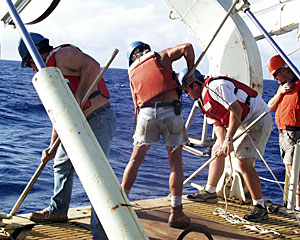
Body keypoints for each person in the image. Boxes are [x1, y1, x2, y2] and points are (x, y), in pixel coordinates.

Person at [18, 32, 116, 239]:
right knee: (61, 163)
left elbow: (93, 65)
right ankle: (58, 211)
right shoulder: (50, 75)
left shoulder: (62, 54)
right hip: (74, 121)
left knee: (96, 176)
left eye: (29, 63)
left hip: (98, 118)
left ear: (35, 54)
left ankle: (101, 233)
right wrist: (51, 147)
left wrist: (78, 99)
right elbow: (59, 114)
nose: (32, 69)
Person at [180, 70, 273, 222]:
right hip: (239, 121)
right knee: (217, 150)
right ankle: (210, 192)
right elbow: (217, 124)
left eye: (186, 90)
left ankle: (260, 207)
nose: (186, 95)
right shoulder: (201, 101)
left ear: (195, 85)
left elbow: (237, 109)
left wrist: (229, 139)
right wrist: (224, 144)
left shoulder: (216, 86)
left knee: (243, 162)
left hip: (256, 118)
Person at [121, 41, 194, 228]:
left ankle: (122, 203)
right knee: (175, 162)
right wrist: (191, 71)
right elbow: (187, 47)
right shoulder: (161, 56)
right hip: (171, 111)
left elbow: (136, 104)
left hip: (145, 115)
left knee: (135, 159)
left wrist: (139, 128)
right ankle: (176, 212)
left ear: (132, 58)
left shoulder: (132, 72)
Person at [267, 55, 300, 211]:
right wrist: (280, 93)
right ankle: (293, 204)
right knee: (290, 168)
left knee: (294, 169)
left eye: (275, 74)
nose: (274, 78)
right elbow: (269, 107)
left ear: (284, 70)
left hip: (295, 133)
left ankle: (297, 206)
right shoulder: (282, 88)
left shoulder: (299, 84)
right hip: (283, 133)